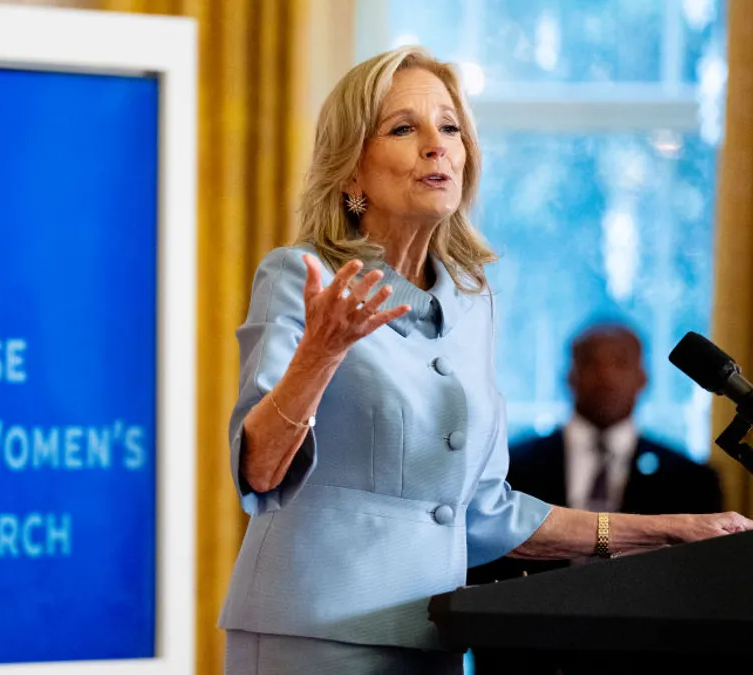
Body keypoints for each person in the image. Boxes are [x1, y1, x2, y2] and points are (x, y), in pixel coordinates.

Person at [217, 44, 753, 675]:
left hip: (435, 633)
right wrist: (320, 354)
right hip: (311, 635)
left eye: (450, 128)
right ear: (351, 172)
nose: (436, 145)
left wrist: (668, 533)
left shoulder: (473, 304)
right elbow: (257, 470)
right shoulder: (301, 277)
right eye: (403, 128)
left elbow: (485, 513)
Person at [465, 322, 723, 675]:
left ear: (643, 378)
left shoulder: (691, 481)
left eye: (619, 362)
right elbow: (483, 579)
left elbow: (703, 597)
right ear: (568, 376)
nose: (604, 376)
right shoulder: (510, 469)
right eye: (590, 363)